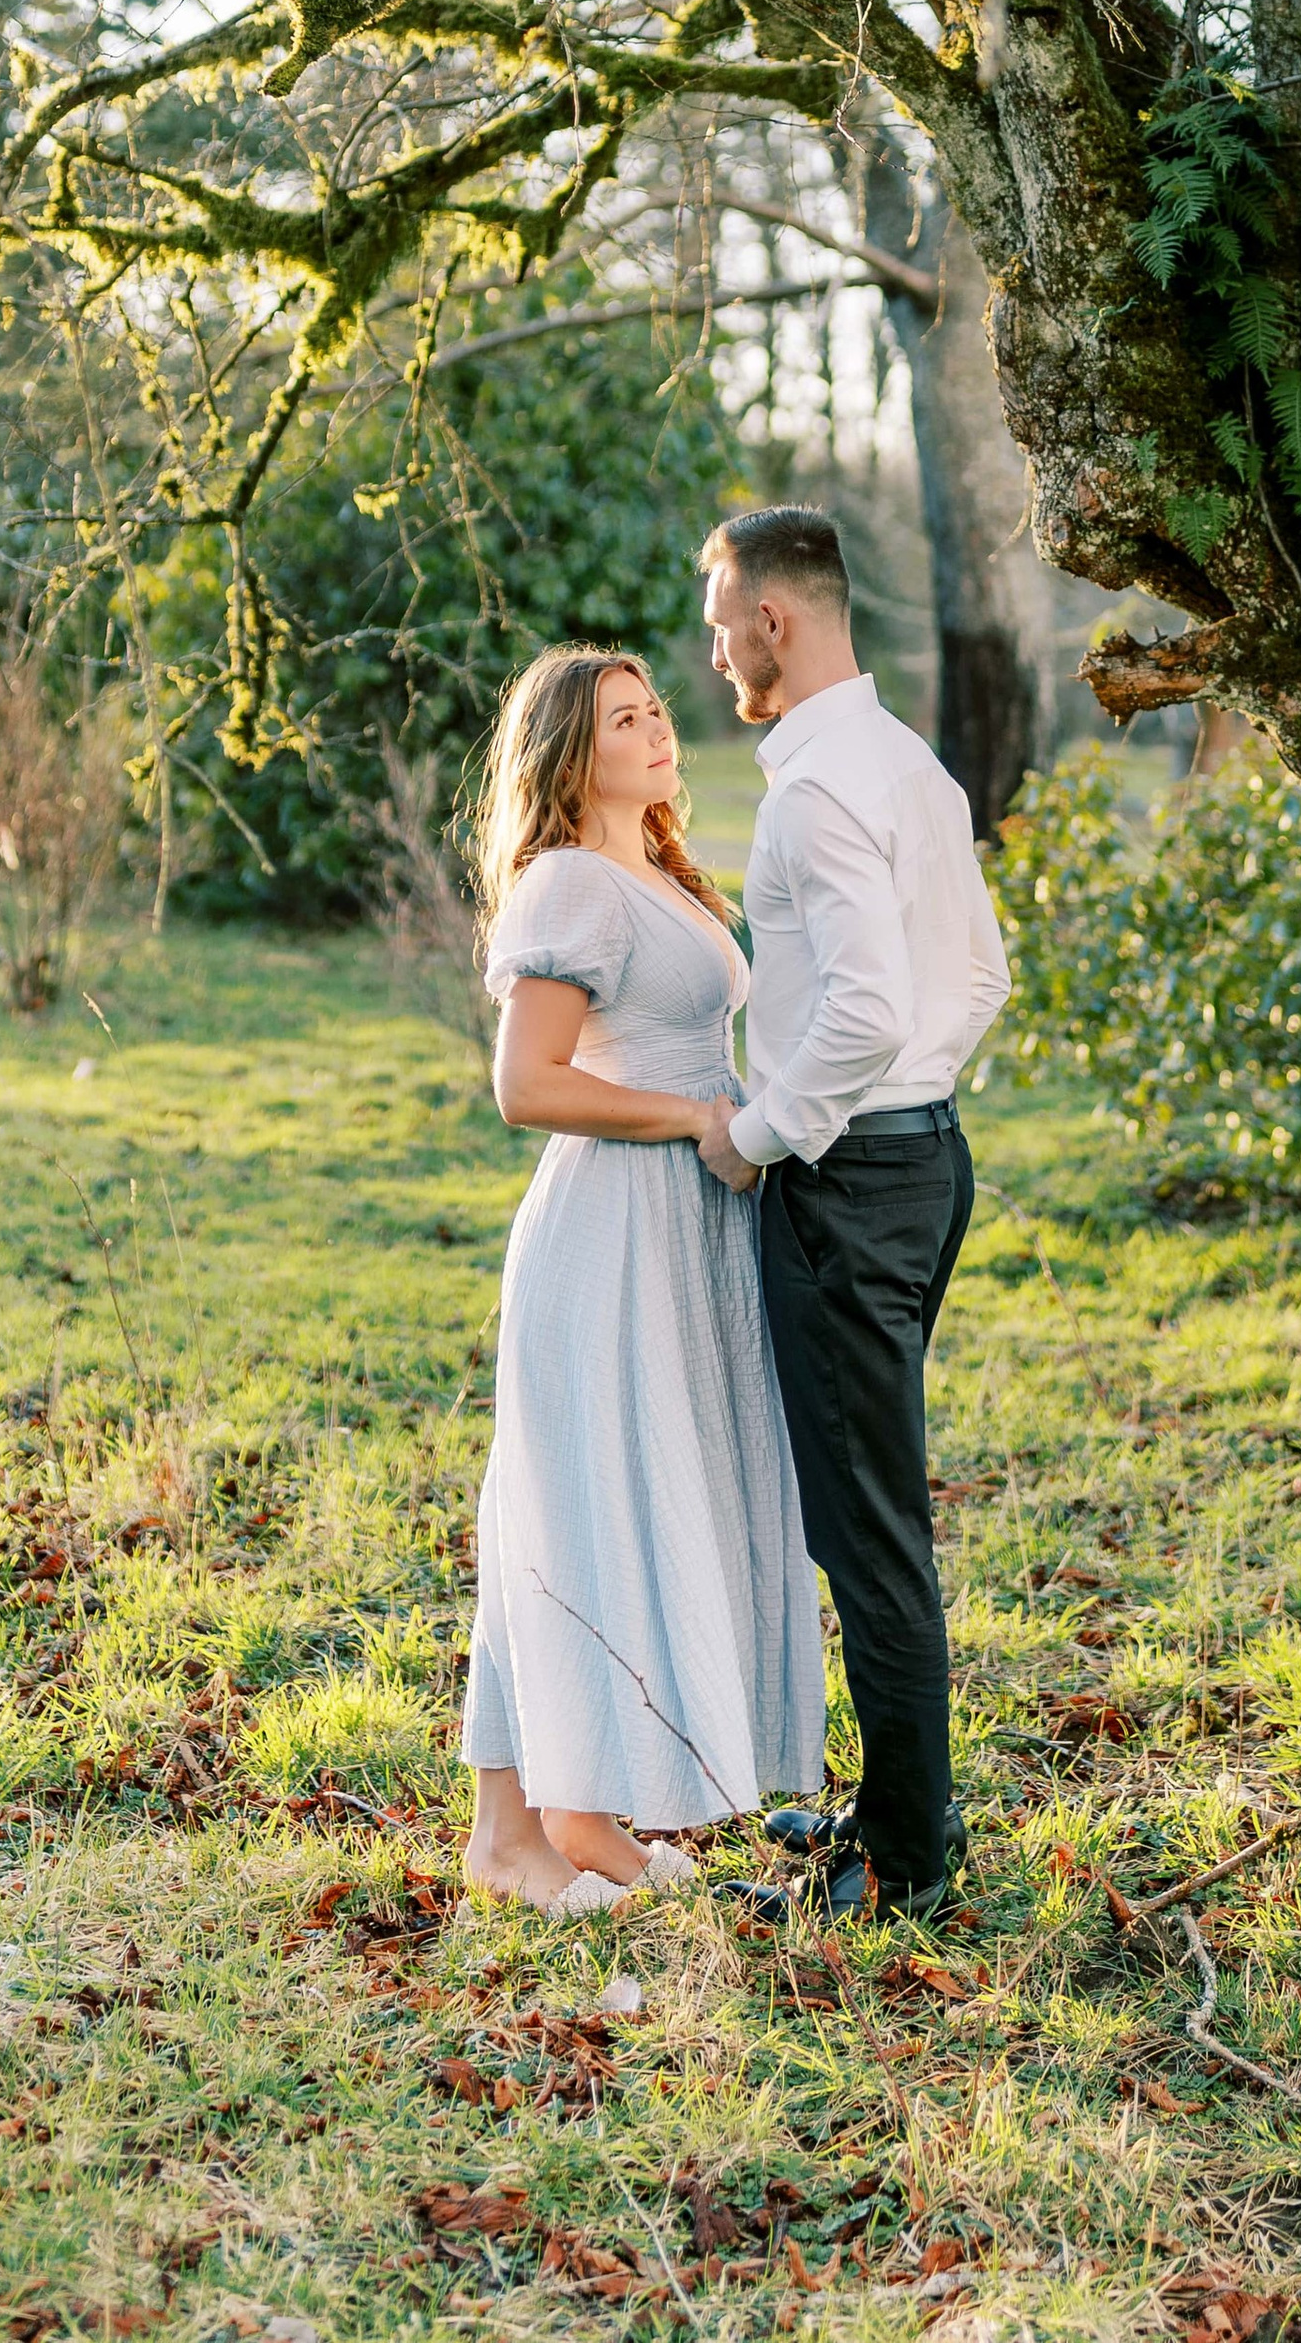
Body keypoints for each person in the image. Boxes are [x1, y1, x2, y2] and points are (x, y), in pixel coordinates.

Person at [459, 644, 826, 1915]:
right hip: (612, 1227)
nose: (660, 728)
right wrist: (693, 1120)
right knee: (590, 1500)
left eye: (658, 706)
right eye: (626, 718)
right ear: (574, 753)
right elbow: (529, 1087)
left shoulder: (655, 868)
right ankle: (572, 1814)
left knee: (597, 1494)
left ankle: (514, 1839)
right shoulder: (567, 883)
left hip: (690, 1223)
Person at [695, 506, 1010, 1919]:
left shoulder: (818, 789)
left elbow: (871, 1003)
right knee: (867, 1511)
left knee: (870, 1531)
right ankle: (895, 1812)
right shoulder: (912, 768)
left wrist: (762, 1135)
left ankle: (902, 1865)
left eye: (720, 624)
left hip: (849, 1187)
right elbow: (979, 980)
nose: (713, 654)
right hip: (926, 1162)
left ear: (775, 618)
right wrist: (915, 1099)